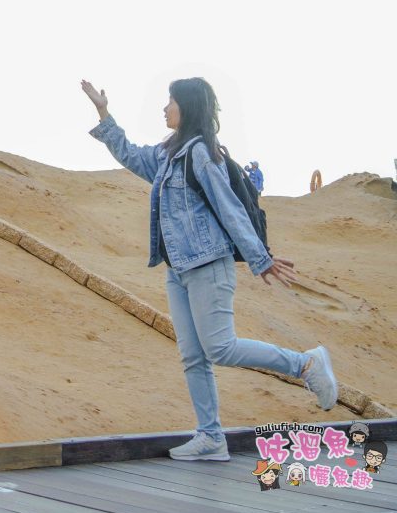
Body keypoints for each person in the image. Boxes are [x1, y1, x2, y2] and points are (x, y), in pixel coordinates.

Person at [82, 75, 339, 462]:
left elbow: (229, 207)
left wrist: (260, 259)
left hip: (208, 266)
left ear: (187, 107)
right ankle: (210, 436)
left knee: (220, 347)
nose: (164, 108)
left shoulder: (201, 153)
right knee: (193, 356)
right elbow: (130, 154)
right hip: (178, 270)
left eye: (170, 101)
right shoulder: (168, 155)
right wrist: (103, 110)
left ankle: (304, 364)